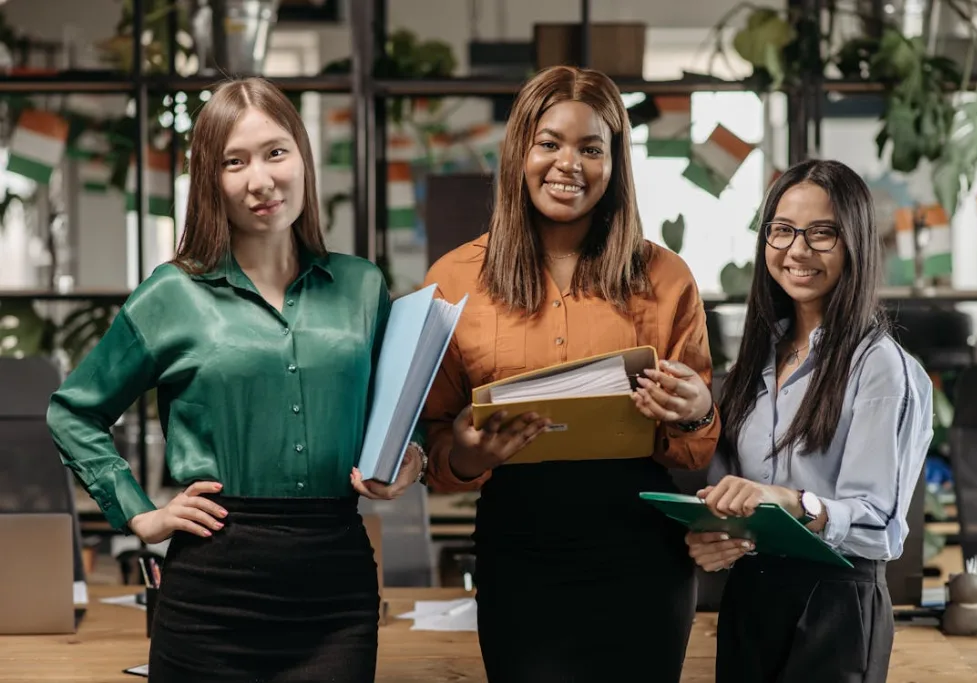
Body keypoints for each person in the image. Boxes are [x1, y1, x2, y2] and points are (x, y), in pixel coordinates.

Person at [46, 77, 426, 683]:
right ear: (210, 182)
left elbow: (402, 411)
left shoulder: (363, 286)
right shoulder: (171, 294)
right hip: (212, 585)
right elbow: (73, 410)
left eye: (276, 152)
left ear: (303, 156)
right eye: (234, 162)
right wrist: (139, 514)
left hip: (337, 586)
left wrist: (411, 458)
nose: (261, 180)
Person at [420, 65, 719, 683]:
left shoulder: (666, 279)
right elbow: (431, 443)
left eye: (591, 148)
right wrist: (468, 455)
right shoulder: (452, 281)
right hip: (518, 554)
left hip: (643, 556)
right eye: (549, 142)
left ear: (615, 164)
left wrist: (696, 410)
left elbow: (695, 451)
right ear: (519, 152)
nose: (569, 164)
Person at [687, 159, 933, 683]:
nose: (798, 250)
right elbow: (727, 494)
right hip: (751, 597)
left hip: (836, 606)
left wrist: (795, 503)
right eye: (782, 230)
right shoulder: (758, 358)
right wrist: (717, 536)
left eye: (823, 234)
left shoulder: (880, 367)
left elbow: (881, 529)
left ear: (856, 243)